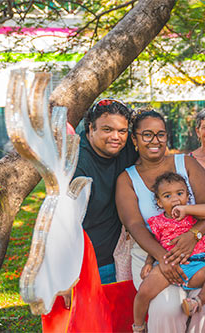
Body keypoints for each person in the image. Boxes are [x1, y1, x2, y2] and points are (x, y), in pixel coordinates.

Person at [116, 110, 205, 333]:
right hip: (154, 251)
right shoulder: (127, 178)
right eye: (147, 135)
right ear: (135, 139)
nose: (155, 141)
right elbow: (135, 225)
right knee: (166, 309)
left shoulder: (186, 163)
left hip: (200, 247)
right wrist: (161, 258)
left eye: (161, 134)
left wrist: (192, 236)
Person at [132, 172, 205, 332]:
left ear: (187, 196)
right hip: (168, 266)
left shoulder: (193, 215)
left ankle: (197, 301)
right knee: (144, 292)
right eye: (167, 195)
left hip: (196, 264)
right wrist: (149, 263)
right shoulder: (157, 222)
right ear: (159, 202)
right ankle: (138, 326)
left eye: (180, 193)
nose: (175, 198)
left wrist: (186, 208)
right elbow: (155, 243)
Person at [73, 99, 138, 284]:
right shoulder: (76, 163)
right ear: (91, 129)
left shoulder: (129, 150)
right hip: (87, 263)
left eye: (122, 131)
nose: (116, 136)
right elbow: (62, 222)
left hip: (125, 255)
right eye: (107, 130)